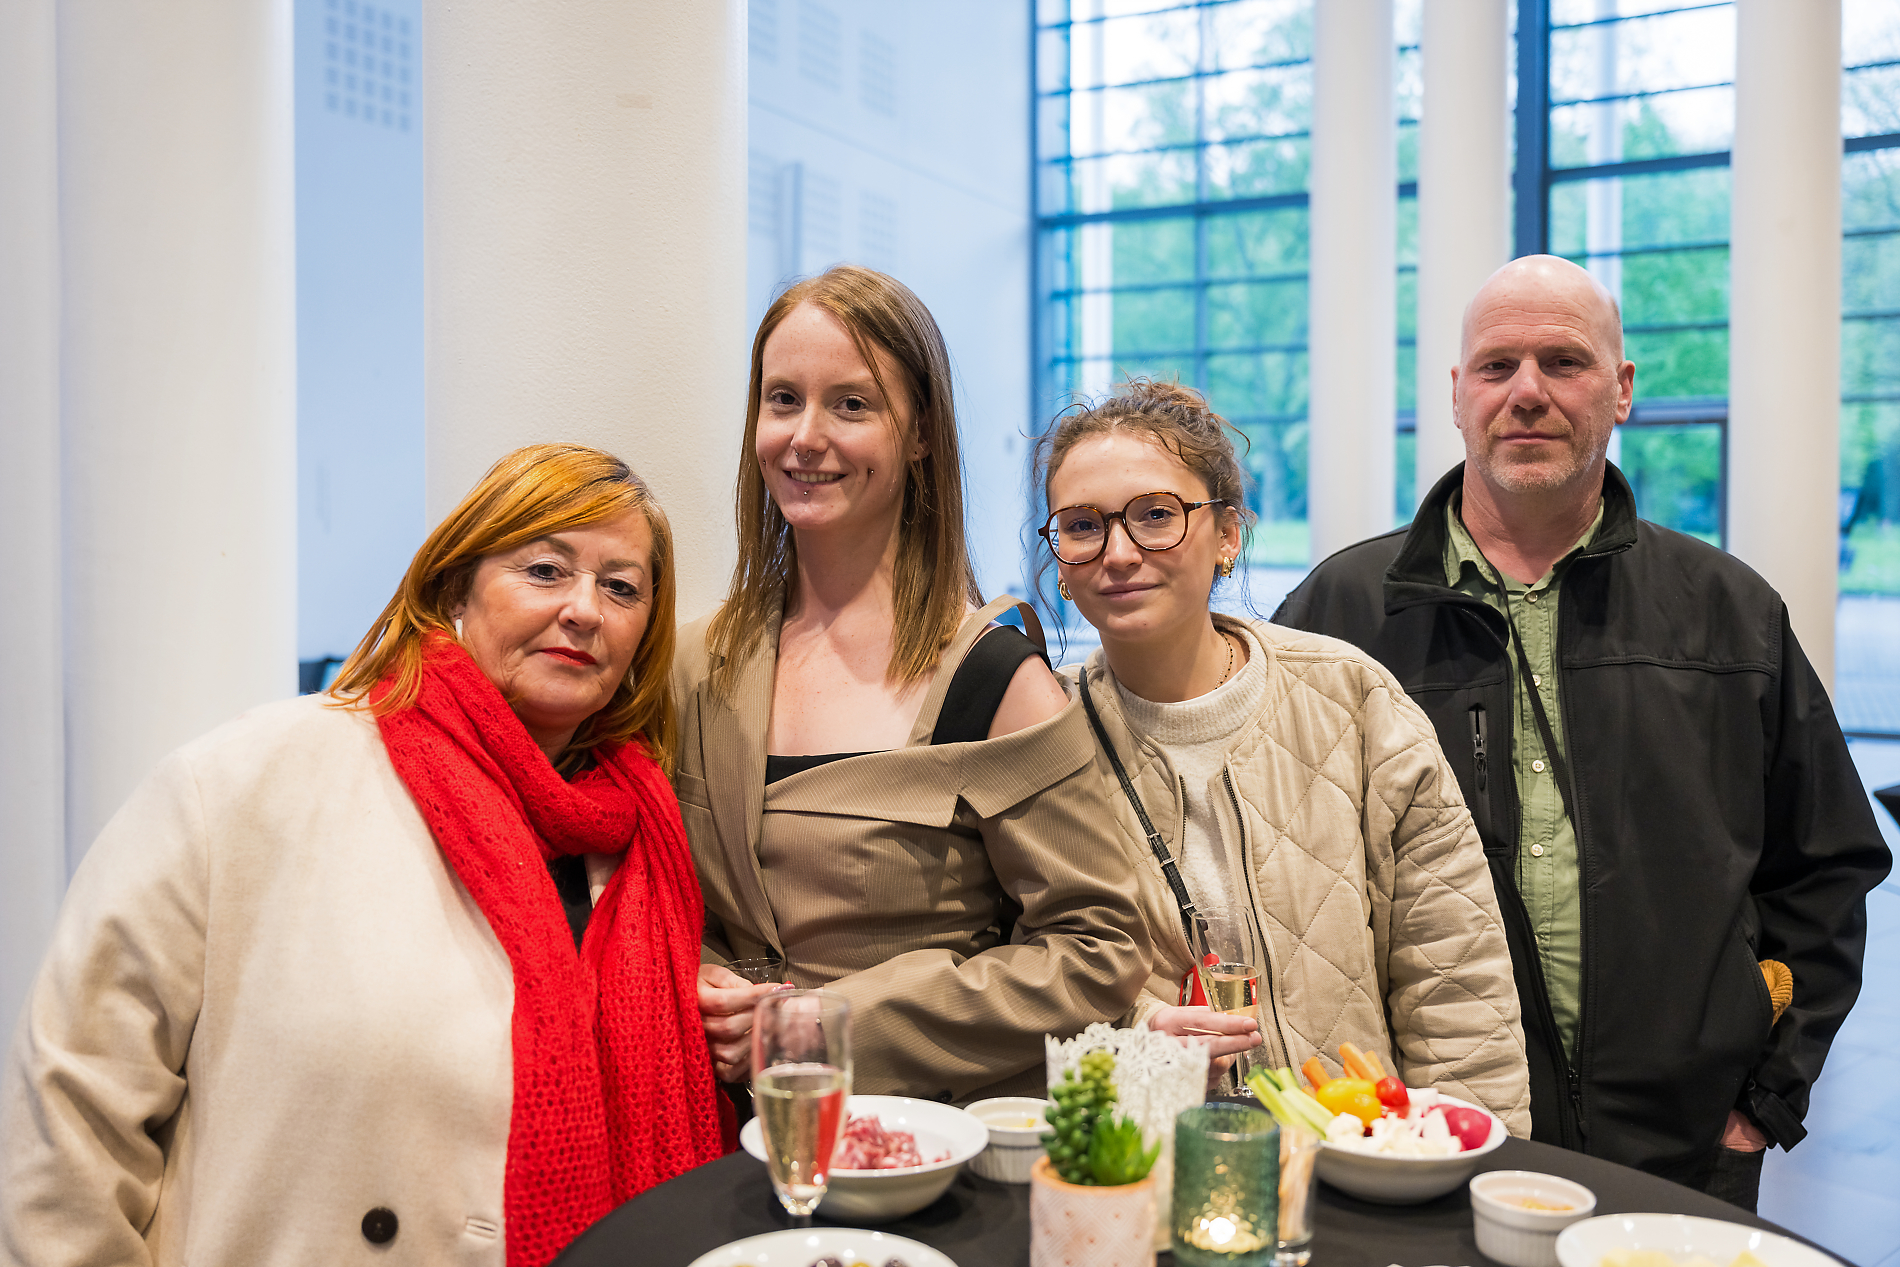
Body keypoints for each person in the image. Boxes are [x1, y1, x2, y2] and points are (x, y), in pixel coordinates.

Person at [0, 444, 726, 1266]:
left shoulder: (645, 843)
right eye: (546, 569)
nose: (585, 609)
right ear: (456, 587)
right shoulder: (253, 779)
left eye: (621, 586)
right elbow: (74, 1101)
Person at [1274, 255, 1893, 1206]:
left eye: (1563, 361)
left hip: (1685, 1150)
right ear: (1455, 395)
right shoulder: (1341, 613)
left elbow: (1827, 864)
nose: (1527, 392)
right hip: (1421, 1140)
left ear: (1622, 388)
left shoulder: (1729, 612)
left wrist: (1762, 1100)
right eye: (1496, 366)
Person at [680, 265, 1149, 1102]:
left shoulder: (993, 682)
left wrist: (835, 1021)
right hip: (711, 1142)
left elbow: (1100, 948)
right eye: (782, 398)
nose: (804, 436)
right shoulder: (692, 665)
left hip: (918, 1150)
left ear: (922, 432)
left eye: (851, 404)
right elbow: (639, 895)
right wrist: (696, 976)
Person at [1035, 378, 1532, 1129]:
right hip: (1140, 1162)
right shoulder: (1041, 736)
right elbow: (1020, 979)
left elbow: (1454, 980)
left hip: (1358, 1163)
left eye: (1156, 516)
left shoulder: (1352, 699)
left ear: (1227, 533)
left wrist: (1467, 1175)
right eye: (1082, 526)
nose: (1119, 551)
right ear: (1060, 558)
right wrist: (1134, 1037)